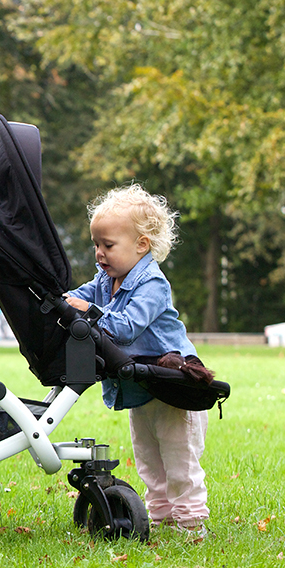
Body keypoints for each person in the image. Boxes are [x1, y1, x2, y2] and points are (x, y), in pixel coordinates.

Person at [64, 184, 209, 540]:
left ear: (141, 245)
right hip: (140, 383)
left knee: (178, 459)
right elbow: (75, 298)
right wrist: (62, 300)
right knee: (147, 456)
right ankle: (158, 516)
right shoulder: (106, 279)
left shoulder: (153, 284)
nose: (100, 253)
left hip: (173, 382)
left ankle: (192, 522)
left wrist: (87, 311)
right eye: (96, 244)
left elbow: (125, 328)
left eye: (108, 245)